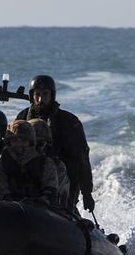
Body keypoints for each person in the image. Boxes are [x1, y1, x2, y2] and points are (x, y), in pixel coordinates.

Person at [15, 74, 94, 212]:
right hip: (27, 178)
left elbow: (81, 159)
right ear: (31, 96)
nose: (40, 99)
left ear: (52, 96)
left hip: (63, 180)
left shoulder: (69, 122)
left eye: (45, 94)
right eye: (37, 95)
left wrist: (87, 193)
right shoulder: (22, 118)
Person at [0, 120, 60, 208]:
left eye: (23, 140)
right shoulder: (1, 164)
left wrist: (42, 201)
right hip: (8, 212)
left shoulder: (45, 163)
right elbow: (0, 190)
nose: (19, 144)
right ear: (9, 142)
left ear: (30, 142)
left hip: (40, 213)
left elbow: (51, 188)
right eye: (15, 140)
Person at [28, 118, 70, 211]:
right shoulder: (15, 160)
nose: (36, 147)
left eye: (40, 143)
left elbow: (55, 196)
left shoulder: (56, 166)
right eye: (32, 143)